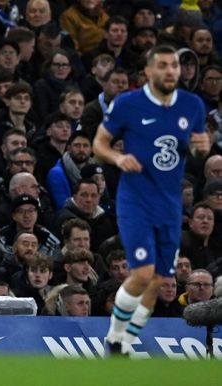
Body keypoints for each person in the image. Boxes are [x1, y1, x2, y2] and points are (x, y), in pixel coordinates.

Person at [93, 45, 211, 356]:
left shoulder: (193, 105)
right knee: (142, 273)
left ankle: (128, 343)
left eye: (174, 65)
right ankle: (115, 339)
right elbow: (99, 145)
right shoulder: (128, 104)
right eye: (163, 65)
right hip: (136, 201)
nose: (171, 70)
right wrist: (118, 158)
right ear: (148, 71)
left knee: (159, 279)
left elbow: (198, 153)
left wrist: (202, 148)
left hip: (170, 206)